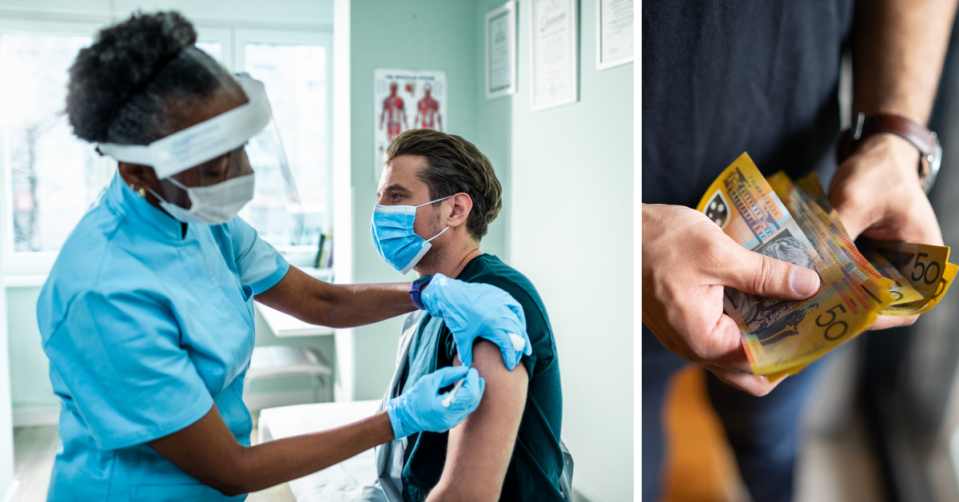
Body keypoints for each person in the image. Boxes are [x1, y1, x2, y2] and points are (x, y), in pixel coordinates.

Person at [37, 12, 532, 501]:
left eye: (242, 149)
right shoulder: (101, 290)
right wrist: (396, 419)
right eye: (214, 168)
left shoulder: (203, 219)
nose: (242, 175)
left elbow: (323, 303)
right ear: (139, 171)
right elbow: (232, 470)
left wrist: (428, 292)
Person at [642, 1, 955, 501]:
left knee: (770, 441)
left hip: (820, 201)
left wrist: (895, 139)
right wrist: (624, 234)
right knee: (630, 474)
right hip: (603, 267)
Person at [361, 130, 570, 502]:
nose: (380, 212)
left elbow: (467, 495)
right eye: (380, 198)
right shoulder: (435, 298)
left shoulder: (494, 301)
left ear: (455, 210)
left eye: (396, 197)